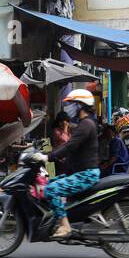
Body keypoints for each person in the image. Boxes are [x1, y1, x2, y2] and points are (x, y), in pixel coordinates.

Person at [43, 88, 100, 239]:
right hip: (79, 172)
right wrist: (48, 154)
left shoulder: (86, 125)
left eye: (72, 104)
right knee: (47, 183)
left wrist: (47, 157)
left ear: (80, 106)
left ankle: (65, 226)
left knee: (51, 190)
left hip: (85, 175)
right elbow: (69, 147)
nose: (69, 108)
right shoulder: (84, 124)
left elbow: (69, 146)